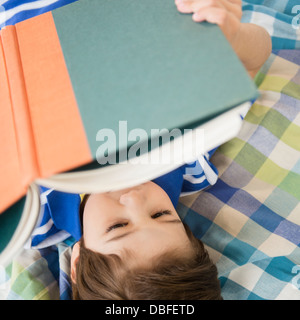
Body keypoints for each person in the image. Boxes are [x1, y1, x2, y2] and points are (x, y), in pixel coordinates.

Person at [33, 0, 272, 300]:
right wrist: (234, 38)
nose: (134, 198)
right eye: (160, 214)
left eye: (118, 226)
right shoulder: (186, 157)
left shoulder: (33, 211)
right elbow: (251, 62)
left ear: (79, 260)